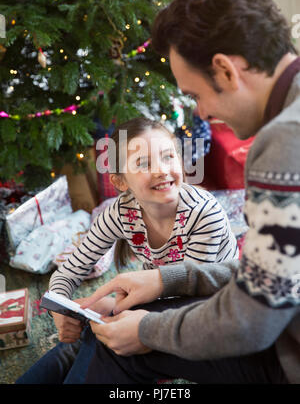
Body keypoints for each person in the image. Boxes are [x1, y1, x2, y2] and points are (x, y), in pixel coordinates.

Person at [78, 0, 299, 384]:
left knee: (127, 341)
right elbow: (275, 278)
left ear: (225, 71)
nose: (199, 113)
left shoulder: (285, 141)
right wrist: (166, 278)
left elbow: (254, 318)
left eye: (195, 94)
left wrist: (147, 332)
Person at [16, 115, 238, 384]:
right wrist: (61, 307)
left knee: (101, 333)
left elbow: (190, 291)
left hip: (207, 313)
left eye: (168, 157)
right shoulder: (121, 212)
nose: (161, 170)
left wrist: (114, 309)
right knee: (91, 333)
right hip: (161, 300)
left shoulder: (205, 214)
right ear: (121, 182)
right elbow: (70, 270)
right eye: (144, 163)